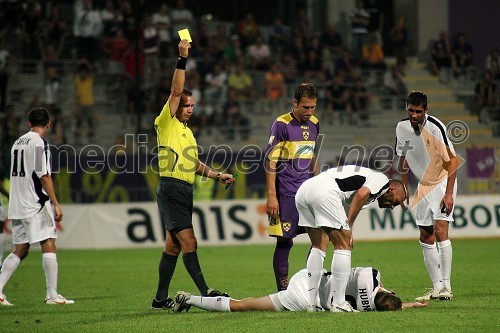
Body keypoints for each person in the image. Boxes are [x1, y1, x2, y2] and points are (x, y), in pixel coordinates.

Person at [151, 39, 235, 310]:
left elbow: (194, 164)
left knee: (173, 248)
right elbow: (176, 90)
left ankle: (159, 300)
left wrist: (217, 175)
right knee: (189, 242)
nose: (190, 109)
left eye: (192, 106)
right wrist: (182, 58)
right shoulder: (167, 121)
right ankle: (206, 292)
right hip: (171, 188)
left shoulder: (187, 132)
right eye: (187, 105)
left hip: (184, 190)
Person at [296, 165, 407, 312]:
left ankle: (312, 304)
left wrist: (347, 227)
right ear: (392, 189)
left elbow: (350, 204)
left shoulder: (368, 186)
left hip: (305, 190)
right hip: (325, 191)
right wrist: (349, 226)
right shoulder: (382, 180)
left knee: (319, 245)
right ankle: (339, 303)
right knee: (343, 245)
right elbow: (361, 195)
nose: (393, 206)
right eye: (397, 202)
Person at [0, 107, 74, 306]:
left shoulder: (17, 142)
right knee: (49, 242)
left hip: (16, 203)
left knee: (21, 249)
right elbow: (44, 175)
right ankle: (52, 295)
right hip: (34, 203)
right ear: (48, 124)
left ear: (28, 124)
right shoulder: (39, 143)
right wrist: (56, 203)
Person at [395, 91, 458, 302]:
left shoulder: (435, 127)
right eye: (411, 110)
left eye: (418, 111)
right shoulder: (401, 128)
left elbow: (452, 162)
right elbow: (402, 159)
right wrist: (404, 187)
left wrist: (448, 194)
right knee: (425, 235)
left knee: (441, 232)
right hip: (423, 184)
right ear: (406, 108)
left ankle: (447, 287)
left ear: (426, 110)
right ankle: (436, 287)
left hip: (441, 181)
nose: (414, 115)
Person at [172, 266, 428, 313]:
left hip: (306, 279)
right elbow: (379, 305)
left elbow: (343, 269)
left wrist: (396, 298)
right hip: (304, 300)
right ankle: (191, 299)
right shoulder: (366, 309)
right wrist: (408, 305)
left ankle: (191, 298)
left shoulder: (371, 274)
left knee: (244, 302)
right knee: (243, 305)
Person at [265, 83, 320, 292]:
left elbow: (312, 155)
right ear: (294, 103)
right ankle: (283, 291)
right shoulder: (281, 124)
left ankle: (310, 286)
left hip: (308, 193)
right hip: (285, 193)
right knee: (284, 241)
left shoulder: (315, 123)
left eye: (313, 107)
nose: (309, 112)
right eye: (305, 107)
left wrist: (319, 183)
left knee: (320, 239)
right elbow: (270, 162)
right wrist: (271, 196)